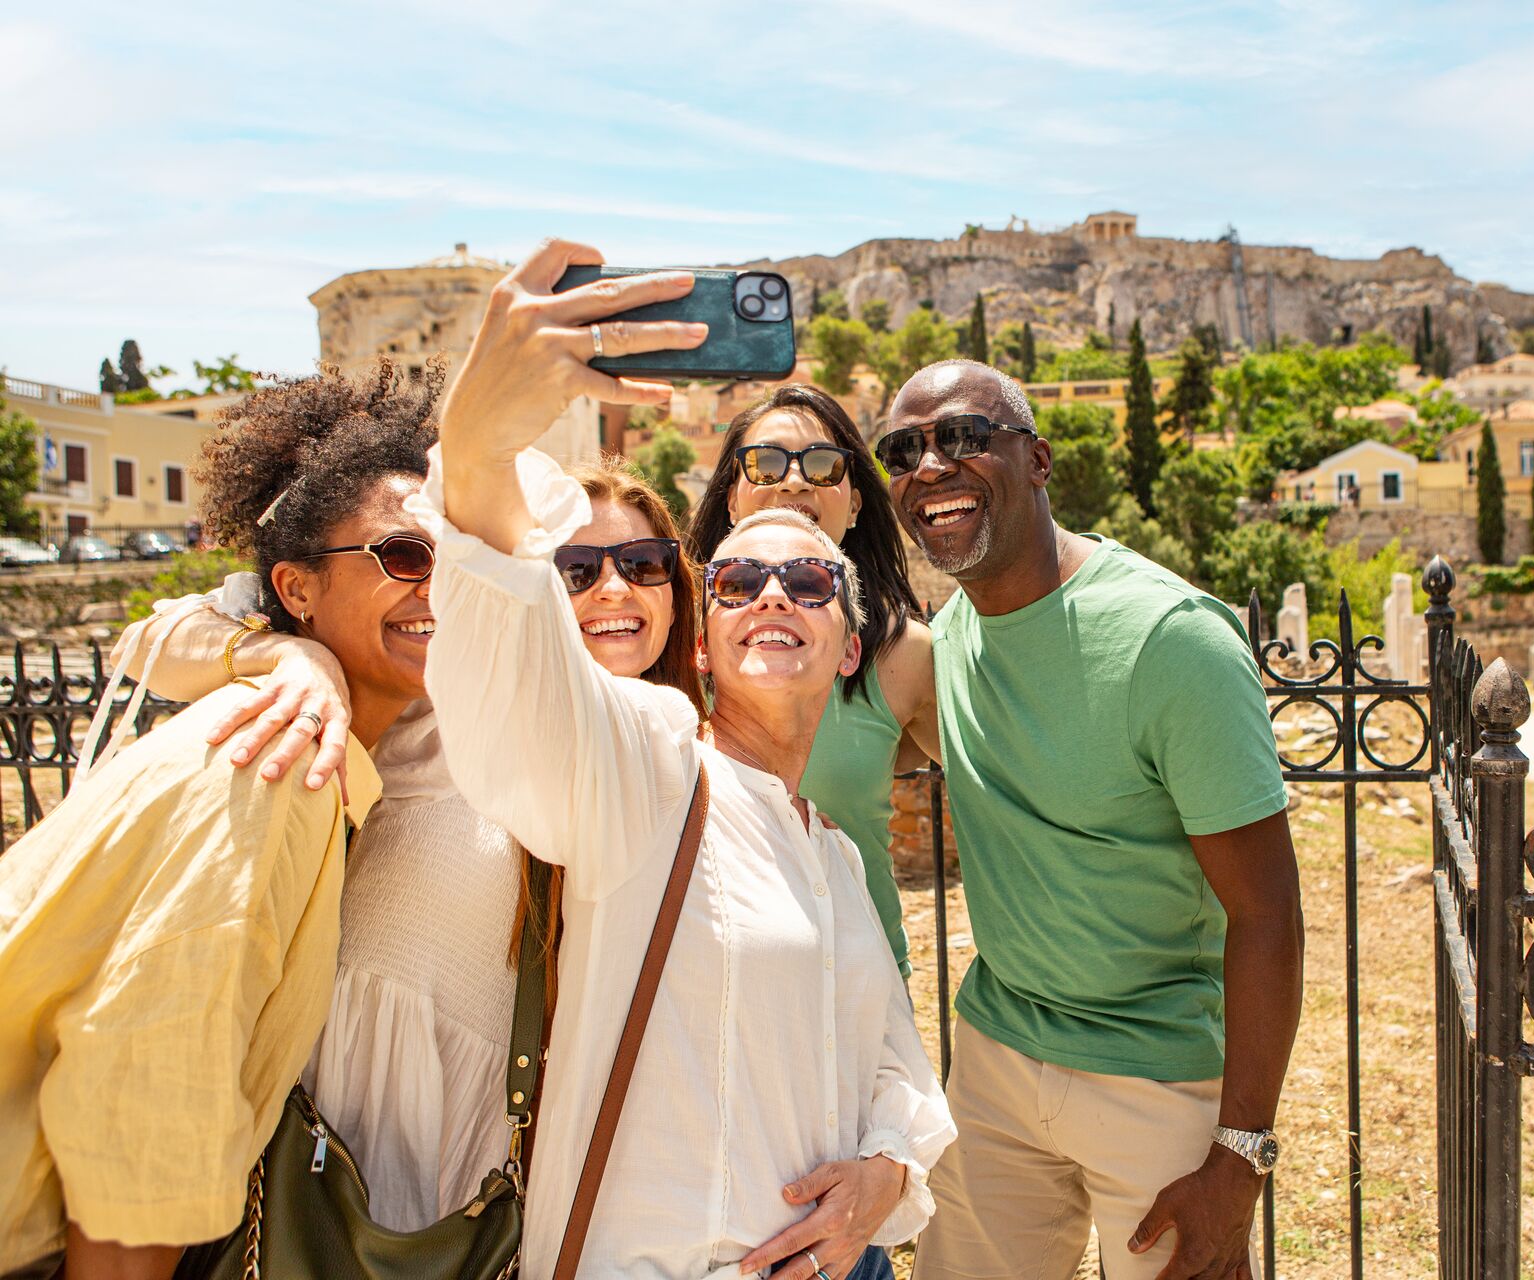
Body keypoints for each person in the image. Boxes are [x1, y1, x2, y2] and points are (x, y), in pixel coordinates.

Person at [412, 237, 953, 1280]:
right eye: (740, 578)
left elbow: (894, 1057)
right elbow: (522, 673)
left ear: (849, 643)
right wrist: (477, 448)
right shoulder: (649, 769)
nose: (773, 594)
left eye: (807, 579)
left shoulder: (833, 854)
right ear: (700, 643)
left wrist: (888, 1170)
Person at [107, 451, 705, 1234]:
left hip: (531, 1140)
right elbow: (151, 639)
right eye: (575, 568)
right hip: (361, 1118)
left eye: (644, 563)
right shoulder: (447, 700)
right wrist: (290, 654)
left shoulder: (695, 759)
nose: (613, 589)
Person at [0, 362, 448, 1278]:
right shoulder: (277, 760)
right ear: (296, 588)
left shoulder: (336, 737)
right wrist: (286, 658)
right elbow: (145, 1086)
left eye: (458, 558)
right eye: (404, 556)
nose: (438, 587)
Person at [877, 359, 1304, 1280]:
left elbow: (1268, 914)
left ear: (1037, 460)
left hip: (1158, 1081)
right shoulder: (946, 640)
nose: (930, 466)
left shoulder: (1171, 639)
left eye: (961, 436)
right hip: (994, 1063)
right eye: (903, 450)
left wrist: (1239, 1157)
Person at [689, 385, 939, 979]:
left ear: (855, 504)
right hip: (704, 995)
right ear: (730, 498)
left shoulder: (904, 657)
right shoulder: (667, 643)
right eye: (766, 463)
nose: (796, 482)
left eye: (824, 465)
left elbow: (1002, 792)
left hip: (860, 992)